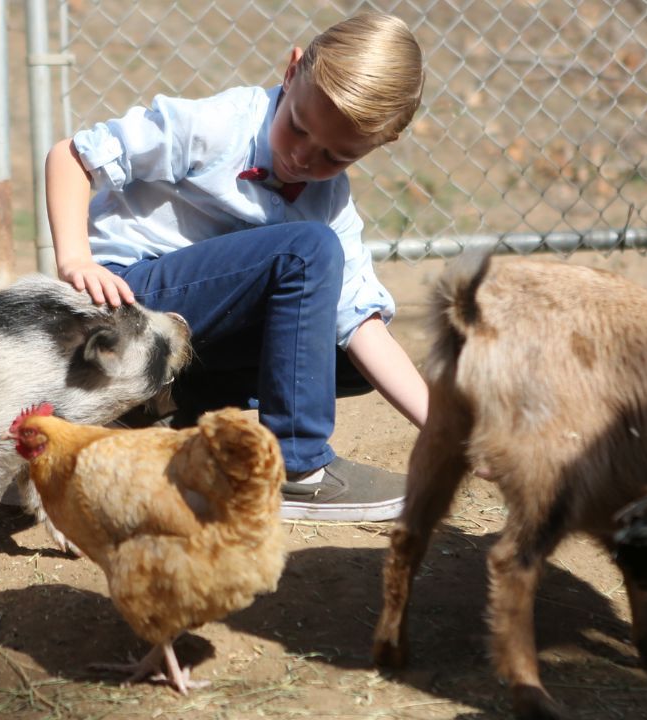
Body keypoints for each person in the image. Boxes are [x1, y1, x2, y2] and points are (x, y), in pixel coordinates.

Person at [44, 13, 429, 522]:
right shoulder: (217, 126)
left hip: (185, 326)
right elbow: (73, 156)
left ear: (381, 142)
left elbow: (360, 323)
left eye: (335, 157)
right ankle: (295, 469)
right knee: (307, 251)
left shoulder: (329, 203)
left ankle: (155, 410)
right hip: (121, 304)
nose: (303, 158)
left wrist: (445, 429)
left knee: (346, 357)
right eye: (298, 127)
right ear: (291, 72)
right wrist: (75, 259)